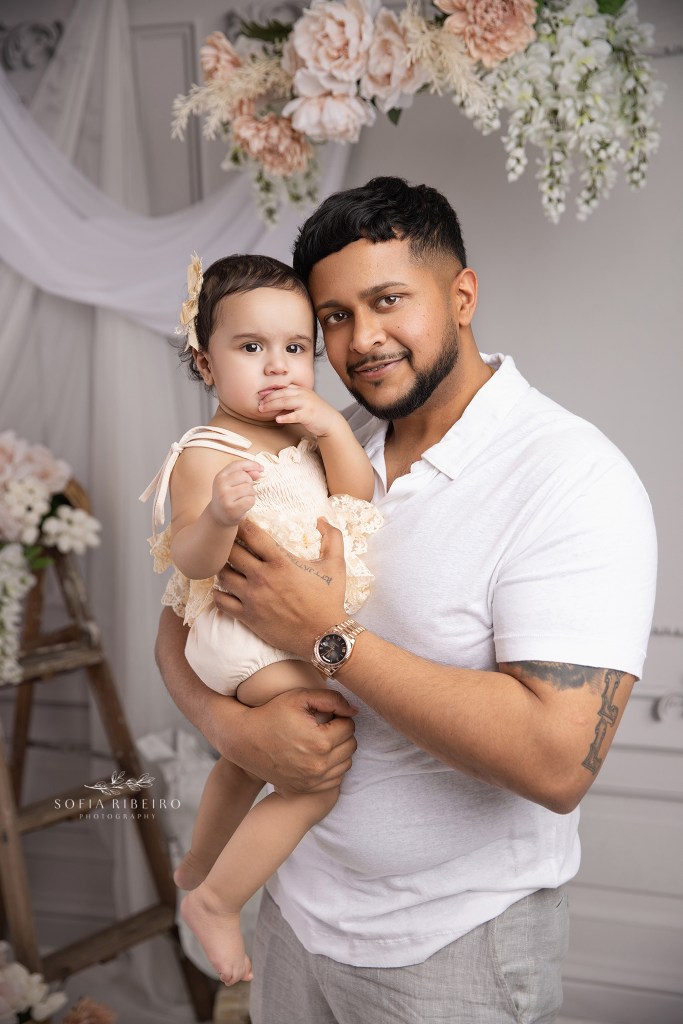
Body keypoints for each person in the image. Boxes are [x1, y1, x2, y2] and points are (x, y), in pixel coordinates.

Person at [155, 178, 657, 1023]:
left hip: (452, 948)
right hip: (293, 914)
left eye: (388, 300)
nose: (362, 339)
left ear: (460, 295)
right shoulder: (318, 443)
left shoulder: (569, 477)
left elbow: (555, 761)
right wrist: (232, 728)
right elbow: (182, 618)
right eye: (335, 318)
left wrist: (324, 634)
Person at [141, 253, 381, 985]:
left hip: (275, 626)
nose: (276, 367)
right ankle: (216, 901)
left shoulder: (308, 438)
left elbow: (356, 498)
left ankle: (198, 861)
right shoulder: (206, 452)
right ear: (205, 362)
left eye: (295, 348)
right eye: (250, 348)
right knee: (314, 768)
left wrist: (333, 432)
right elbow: (189, 557)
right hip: (238, 634)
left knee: (246, 758)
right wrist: (218, 513)